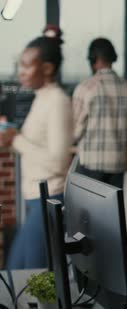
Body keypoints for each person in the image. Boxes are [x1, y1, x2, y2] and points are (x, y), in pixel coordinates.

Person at [0, 25, 73, 269]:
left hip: (49, 199)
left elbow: (58, 162)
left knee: (29, 277)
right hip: (36, 201)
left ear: (47, 68)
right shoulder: (41, 98)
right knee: (18, 274)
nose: (20, 72)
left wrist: (16, 140)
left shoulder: (58, 102)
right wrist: (12, 137)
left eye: (26, 65)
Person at [72, 38, 127, 188]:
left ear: (93, 59)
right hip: (117, 165)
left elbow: (75, 131)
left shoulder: (86, 87)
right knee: (112, 211)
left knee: (89, 211)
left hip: (90, 164)